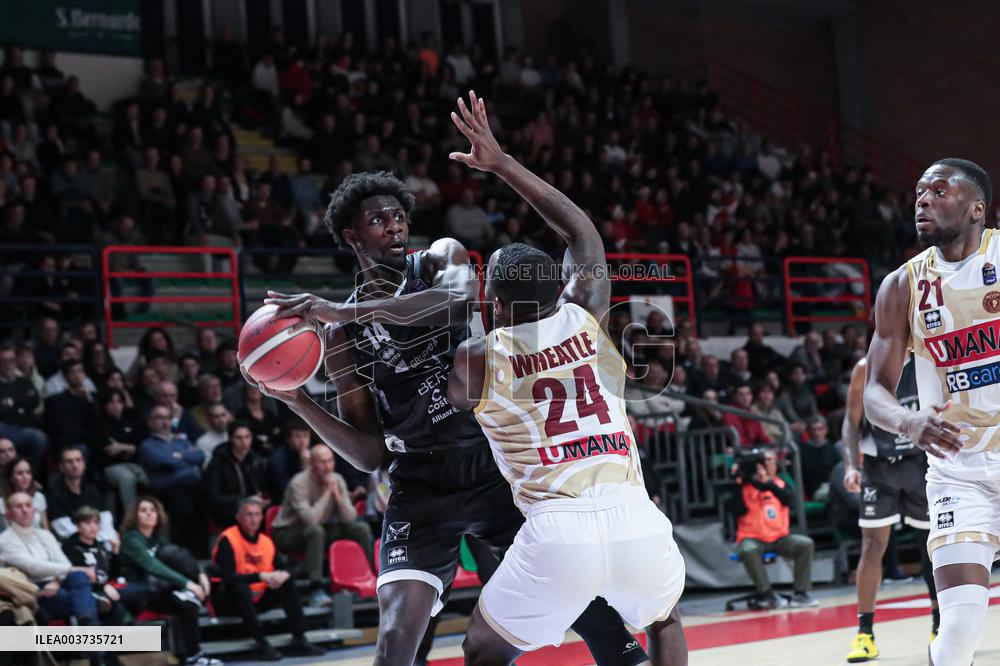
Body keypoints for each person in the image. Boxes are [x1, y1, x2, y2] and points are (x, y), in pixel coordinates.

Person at [253, 161, 651, 664]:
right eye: (379, 221)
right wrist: (297, 399)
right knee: (397, 639)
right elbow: (369, 452)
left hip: (492, 465)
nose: (394, 227)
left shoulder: (440, 258)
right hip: (421, 482)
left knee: (586, 608)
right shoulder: (339, 336)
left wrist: (348, 311)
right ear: (351, 235)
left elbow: (458, 307)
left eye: (398, 217)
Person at [443, 92, 687, 665]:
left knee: (483, 647)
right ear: (557, 291)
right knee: (665, 618)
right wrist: (500, 162)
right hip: (635, 515)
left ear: (494, 305)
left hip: (557, 530)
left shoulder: (477, 358)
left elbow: (446, 388)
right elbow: (582, 233)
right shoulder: (586, 314)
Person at [864, 158, 1000, 666]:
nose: (922, 200)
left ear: (976, 208)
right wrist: (908, 420)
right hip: (958, 471)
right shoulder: (902, 286)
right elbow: (875, 392)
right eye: (919, 192)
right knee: (961, 626)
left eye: (938, 191)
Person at [843, 356, 937, 661]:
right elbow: (851, 420)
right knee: (872, 545)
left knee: (930, 546)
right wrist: (849, 465)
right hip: (878, 466)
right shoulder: (864, 367)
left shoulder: (927, 363)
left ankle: (940, 625)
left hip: (918, 461)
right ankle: (864, 632)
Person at [211, 498, 325, 661]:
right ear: (238, 517)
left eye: (257, 514)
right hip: (229, 600)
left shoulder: (266, 541)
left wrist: (285, 574)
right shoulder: (228, 540)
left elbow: (282, 567)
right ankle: (261, 643)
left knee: (286, 582)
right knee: (240, 588)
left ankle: (299, 637)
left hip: (258, 597)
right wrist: (260, 576)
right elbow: (228, 578)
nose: (254, 519)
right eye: (248, 514)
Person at [119, 497, 221, 666]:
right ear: (135, 516)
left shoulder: (158, 539)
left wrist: (200, 574)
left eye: (152, 510)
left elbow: (182, 557)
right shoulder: (131, 539)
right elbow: (153, 566)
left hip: (158, 590)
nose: (149, 514)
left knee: (188, 601)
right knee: (174, 565)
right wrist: (189, 583)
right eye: (143, 510)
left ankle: (193, 656)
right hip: (138, 595)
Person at [269, 444, 372, 606]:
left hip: (319, 528)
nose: (328, 466)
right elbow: (310, 520)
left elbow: (350, 518)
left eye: (330, 461)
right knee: (315, 531)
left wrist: (337, 496)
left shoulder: (336, 479)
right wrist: (326, 494)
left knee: (360, 528)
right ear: (311, 463)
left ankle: (371, 577)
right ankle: (315, 589)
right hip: (286, 531)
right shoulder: (299, 483)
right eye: (322, 462)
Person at [728, 449, 817, 610]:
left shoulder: (780, 484)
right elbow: (737, 510)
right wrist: (739, 483)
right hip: (751, 538)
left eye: (770, 461)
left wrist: (767, 483)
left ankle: (801, 593)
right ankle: (766, 594)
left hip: (780, 538)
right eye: (763, 462)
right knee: (748, 549)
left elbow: (789, 500)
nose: (767, 464)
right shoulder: (744, 487)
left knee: (805, 544)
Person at [0, 491, 99, 625]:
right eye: (19, 506)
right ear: (9, 513)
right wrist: (71, 569)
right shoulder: (5, 539)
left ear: (34, 510)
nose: (25, 510)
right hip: (34, 589)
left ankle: (87, 619)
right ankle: (92, 609)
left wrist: (57, 581)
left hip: (58, 582)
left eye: (28, 505)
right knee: (87, 600)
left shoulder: (45, 534)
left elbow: (63, 562)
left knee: (79, 576)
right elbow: (33, 567)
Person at [138, 406, 208, 555]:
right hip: (169, 488)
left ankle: (204, 555)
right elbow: (166, 462)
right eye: (159, 418)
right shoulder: (148, 445)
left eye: (167, 418)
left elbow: (200, 456)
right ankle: (184, 553)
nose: (164, 422)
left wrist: (179, 456)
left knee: (208, 506)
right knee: (184, 512)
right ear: (150, 423)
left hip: (193, 485)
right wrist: (186, 458)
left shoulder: (181, 441)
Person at [62, 506, 128, 625]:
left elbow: (112, 574)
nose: (93, 527)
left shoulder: (100, 545)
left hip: (104, 587)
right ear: (78, 526)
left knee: (120, 606)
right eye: (87, 523)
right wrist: (103, 587)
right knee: (113, 605)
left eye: (96, 523)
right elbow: (75, 579)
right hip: (85, 592)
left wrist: (115, 552)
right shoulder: (71, 547)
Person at [46, 446, 119, 544]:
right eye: (69, 461)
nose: (75, 465)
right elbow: (64, 530)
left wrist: (103, 539)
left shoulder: (93, 490)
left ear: (84, 464)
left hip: (100, 543)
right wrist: (98, 538)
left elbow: (106, 522)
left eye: (78, 460)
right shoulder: (55, 494)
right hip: (73, 546)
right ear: (62, 467)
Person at [205, 421, 266, 527]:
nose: (244, 442)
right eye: (239, 438)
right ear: (231, 439)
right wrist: (245, 500)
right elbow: (213, 498)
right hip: (229, 512)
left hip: (255, 507)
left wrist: (264, 498)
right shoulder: (218, 463)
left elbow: (264, 486)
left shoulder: (256, 459)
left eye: (247, 437)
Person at [0, 344, 46, 475]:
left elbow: (34, 400)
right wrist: (20, 406)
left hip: (24, 429)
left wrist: (11, 402)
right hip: (3, 428)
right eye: (3, 361)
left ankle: (27, 476)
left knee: (39, 438)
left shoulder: (24, 381)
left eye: (11, 360)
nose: (7, 364)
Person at [0, 457, 48, 530]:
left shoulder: (38, 497)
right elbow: (7, 530)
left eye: (28, 472)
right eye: (20, 473)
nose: (25, 477)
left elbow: (45, 528)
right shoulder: (2, 502)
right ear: (11, 478)